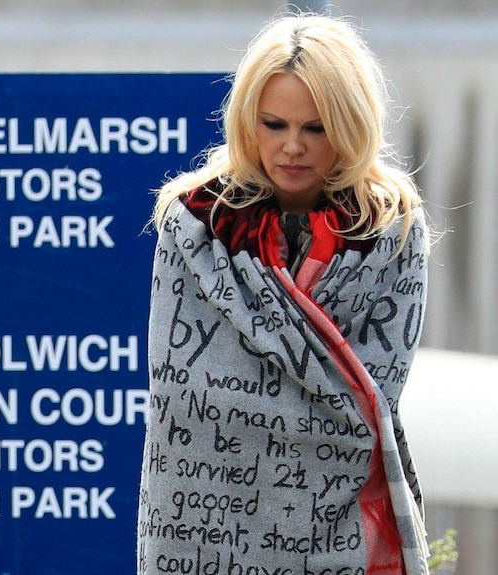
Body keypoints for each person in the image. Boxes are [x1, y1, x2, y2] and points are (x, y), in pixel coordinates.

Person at [138, 11, 431, 575]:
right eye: (275, 125)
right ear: (248, 122)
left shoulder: (391, 230)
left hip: (341, 529)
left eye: (315, 128)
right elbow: (185, 399)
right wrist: (301, 407)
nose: (292, 146)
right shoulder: (196, 225)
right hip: (201, 525)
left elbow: (371, 403)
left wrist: (259, 408)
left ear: (349, 125)